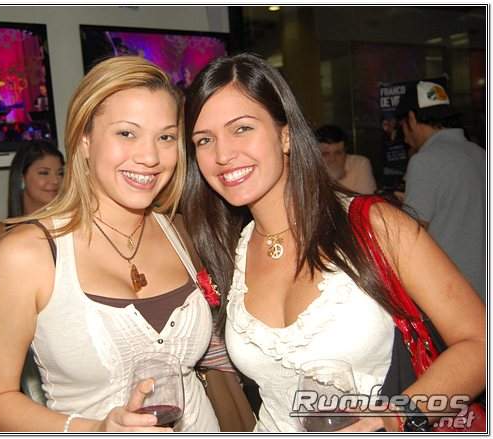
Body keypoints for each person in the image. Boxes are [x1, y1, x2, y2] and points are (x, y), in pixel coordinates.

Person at [180, 54, 484, 432]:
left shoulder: (374, 225)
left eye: (241, 128)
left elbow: (479, 343)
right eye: (204, 140)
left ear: (285, 135)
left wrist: (398, 416)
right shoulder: (225, 248)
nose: (223, 155)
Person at [0, 56, 222, 432]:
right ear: (85, 140)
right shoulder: (26, 255)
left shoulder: (183, 232)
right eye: (127, 133)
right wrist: (95, 430)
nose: (150, 157)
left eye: (166, 137)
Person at [395, 80, 486, 301]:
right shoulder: (480, 153)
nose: (404, 138)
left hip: (453, 292)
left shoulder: (425, 161)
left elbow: (413, 233)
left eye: (402, 126)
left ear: (412, 118)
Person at [0, 141, 65, 265]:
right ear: (22, 177)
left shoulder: (68, 229)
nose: (55, 180)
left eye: (60, 173)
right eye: (44, 173)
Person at [315, 124, 377, 194]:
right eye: (325, 154)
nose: (332, 159)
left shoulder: (360, 164)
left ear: (345, 152)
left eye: (338, 153)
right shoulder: (309, 170)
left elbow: (367, 199)